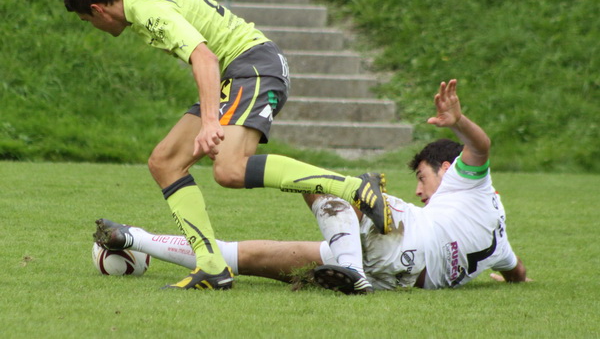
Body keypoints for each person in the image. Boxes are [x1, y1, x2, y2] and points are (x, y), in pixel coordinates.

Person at [64, 0, 391, 291]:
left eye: (88, 20)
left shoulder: (146, 10)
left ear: (98, 10)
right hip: (239, 73)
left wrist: (210, 123)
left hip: (254, 67)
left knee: (230, 169)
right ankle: (211, 266)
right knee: (166, 162)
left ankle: (354, 188)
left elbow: (203, 57)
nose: (93, 27)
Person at [93, 80, 529, 293]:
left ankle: (351, 267)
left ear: (448, 168)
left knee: (327, 185)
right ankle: (132, 238)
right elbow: (517, 272)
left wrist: (459, 121)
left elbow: (481, 146)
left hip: (396, 239)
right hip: (397, 277)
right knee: (246, 257)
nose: (419, 189)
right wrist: (505, 278)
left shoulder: (468, 183)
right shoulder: (500, 241)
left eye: (422, 177)